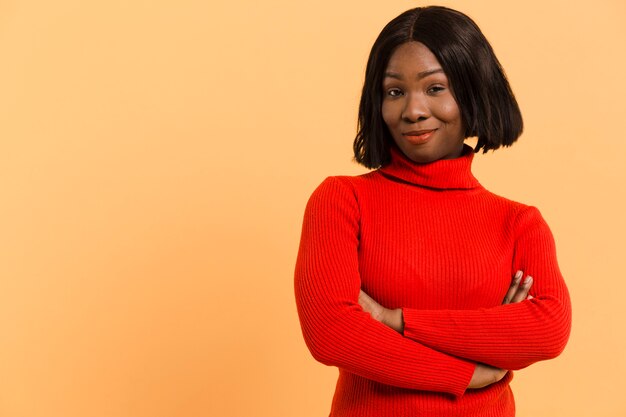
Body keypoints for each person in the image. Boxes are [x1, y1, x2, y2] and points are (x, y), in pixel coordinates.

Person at [294, 5, 571, 417]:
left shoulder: (518, 222)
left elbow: (547, 331)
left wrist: (393, 320)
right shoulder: (341, 201)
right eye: (394, 91)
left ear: (473, 91)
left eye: (435, 88)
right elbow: (331, 333)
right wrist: (467, 372)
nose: (413, 111)